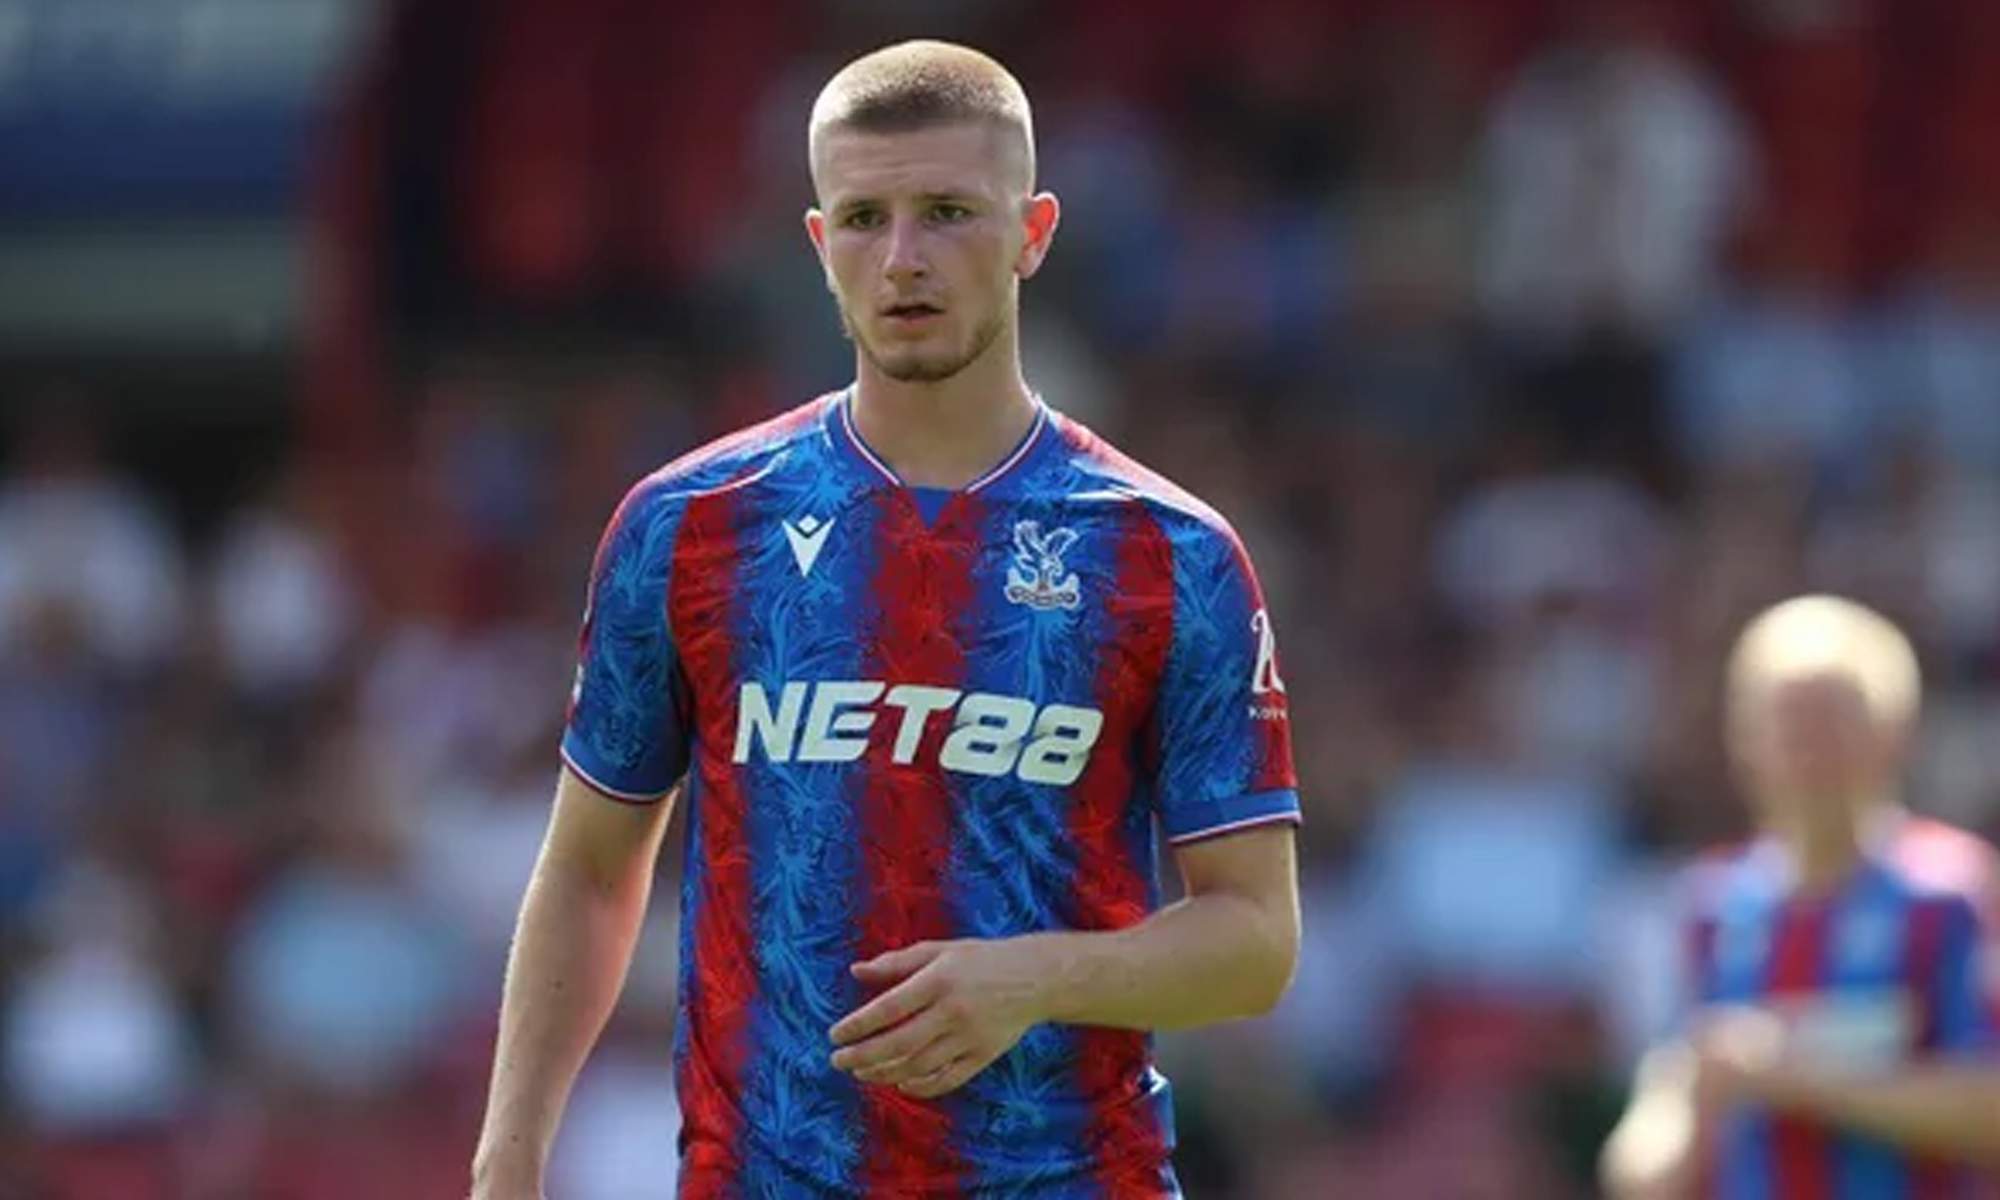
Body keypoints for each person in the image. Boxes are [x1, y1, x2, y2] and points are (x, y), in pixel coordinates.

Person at [470, 39, 1302, 1199]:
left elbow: (1255, 939)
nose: (903, 258)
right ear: (818, 245)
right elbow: (591, 873)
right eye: (864, 219)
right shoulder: (689, 525)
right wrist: (506, 1163)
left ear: (1032, 233)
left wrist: (1032, 978)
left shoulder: (1168, 552)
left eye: (948, 213)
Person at [1602, 595, 2000, 1199]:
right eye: (1787, 721)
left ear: (1894, 731)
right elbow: (1645, 1157)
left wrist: (1793, 1075)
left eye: (1833, 721)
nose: (1809, 749)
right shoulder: (1710, 908)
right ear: (1743, 738)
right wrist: (1685, 1115)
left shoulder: (1955, 892)